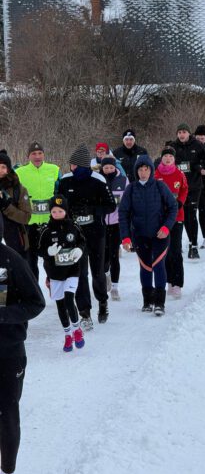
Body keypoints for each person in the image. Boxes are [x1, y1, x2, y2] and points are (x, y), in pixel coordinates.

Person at [0, 213, 45, 474]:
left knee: (7, 414)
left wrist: (4, 315)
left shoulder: (12, 260)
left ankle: (7, 468)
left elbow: (36, 302)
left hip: (8, 352)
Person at [58, 144, 116, 330]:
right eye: (71, 164)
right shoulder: (65, 180)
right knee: (79, 273)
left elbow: (111, 206)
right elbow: (57, 204)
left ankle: (102, 302)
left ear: (82, 165)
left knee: (97, 271)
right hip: (75, 236)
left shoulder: (98, 179)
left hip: (96, 233)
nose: (71, 167)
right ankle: (85, 312)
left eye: (74, 164)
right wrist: (68, 213)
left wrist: (92, 210)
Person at [119, 155, 178, 316]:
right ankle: (147, 301)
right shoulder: (131, 189)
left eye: (146, 169)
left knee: (158, 265)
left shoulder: (160, 186)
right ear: (136, 171)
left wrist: (166, 227)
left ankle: (159, 303)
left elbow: (173, 207)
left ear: (151, 170)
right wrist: (125, 237)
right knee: (145, 267)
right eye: (140, 169)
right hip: (139, 236)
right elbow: (123, 213)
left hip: (160, 235)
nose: (143, 173)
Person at [38, 195, 86, 352]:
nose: (57, 214)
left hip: (72, 270)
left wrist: (79, 250)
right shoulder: (46, 230)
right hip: (55, 273)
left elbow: (82, 241)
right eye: (54, 211)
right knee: (60, 304)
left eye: (60, 211)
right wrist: (48, 252)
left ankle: (77, 329)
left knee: (69, 299)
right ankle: (67, 334)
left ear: (66, 211)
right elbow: (39, 250)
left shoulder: (74, 226)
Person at [16, 142, 60, 279]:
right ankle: (33, 289)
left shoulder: (54, 170)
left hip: (49, 222)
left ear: (44, 155)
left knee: (52, 259)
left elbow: (60, 193)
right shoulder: (20, 172)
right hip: (29, 224)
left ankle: (54, 285)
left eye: (40, 153)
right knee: (30, 261)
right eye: (34, 153)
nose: (37, 156)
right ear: (28, 156)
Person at [170, 123, 205, 260]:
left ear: (189, 133)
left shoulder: (197, 145)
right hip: (177, 187)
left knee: (191, 215)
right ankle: (181, 243)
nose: (181, 135)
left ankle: (193, 245)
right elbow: (164, 161)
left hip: (194, 186)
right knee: (179, 215)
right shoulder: (173, 147)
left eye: (184, 132)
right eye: (179, 132)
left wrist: (203, 166)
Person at [154, 147, 188, 298]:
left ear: (174, 159)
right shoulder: (156, 174)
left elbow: (184, 190)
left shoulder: (179, 174)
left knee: (176, 250)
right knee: (164, 251)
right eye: (165, 156)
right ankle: (168, 280)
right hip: (161, 218)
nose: (168, 159)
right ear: (161, 158)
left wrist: (180, 202)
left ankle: (177, 283)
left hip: (177, 216)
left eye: (170, 157)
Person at [100, 157, 129, 301]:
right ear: (102, 168)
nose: (109, 170)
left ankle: (115, 288)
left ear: (115, 167)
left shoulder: (123, 180)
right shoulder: (98, 180)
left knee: (114, 256)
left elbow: (127, 200)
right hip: (101, 223)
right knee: (103, 255)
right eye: (106, 168)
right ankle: (106, 276)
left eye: (111, 167)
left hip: (116, 223)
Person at [0, 151, 31, 258]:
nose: (0, 170)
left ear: (8, 169)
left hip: (15, 241)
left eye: (3, 167)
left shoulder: (19, 189)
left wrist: (6, 207)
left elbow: (26, 217)